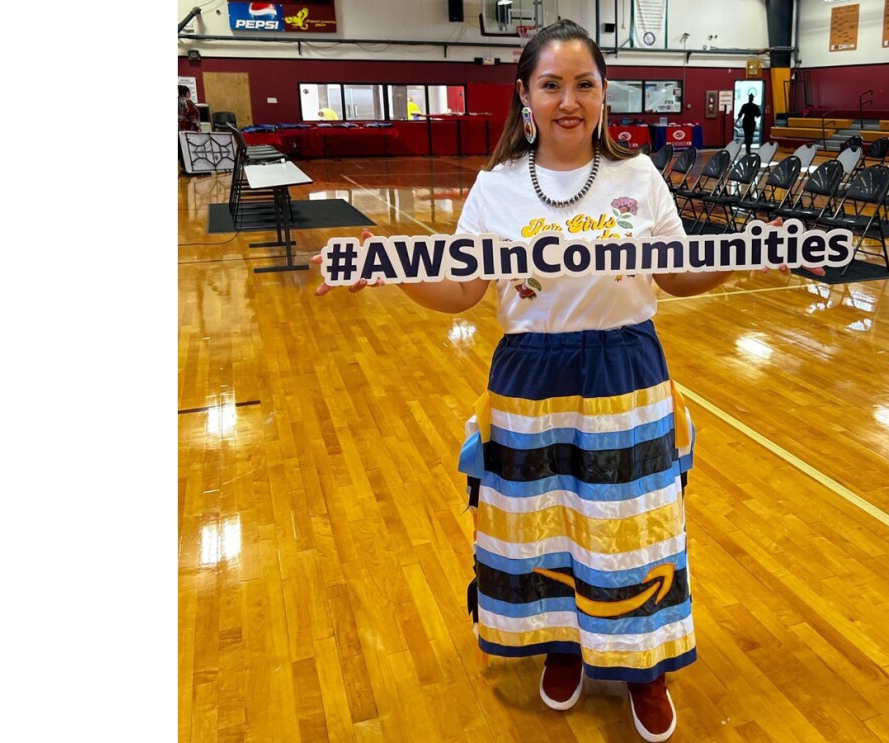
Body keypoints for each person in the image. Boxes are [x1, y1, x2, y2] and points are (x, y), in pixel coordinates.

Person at [312, 19, 738, 742]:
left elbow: (677, 272)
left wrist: (750, 255)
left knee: (629, 527)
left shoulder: (639, 177)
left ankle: (644, 666)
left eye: (583, 84)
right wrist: (384, 258)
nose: (568, 101)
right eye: (551, 85)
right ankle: (563, 644)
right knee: (540, 527)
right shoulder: (497, 186)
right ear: (525, 95)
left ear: (605, 93)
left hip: (624, 369)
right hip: (529, 375)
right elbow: (461, 289)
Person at [178, 85, 200, 173]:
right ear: (187, 93)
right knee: (187, 150)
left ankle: (183, 168)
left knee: (180, 151)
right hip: (187, 130)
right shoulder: (187, 102)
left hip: (178, 130)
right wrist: (198, 127)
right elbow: (193, 115)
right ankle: (188, 169)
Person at [735, 93, 761, 158]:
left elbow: (740, 114)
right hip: (752, 121)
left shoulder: (745, 105)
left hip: (746, 121)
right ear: (753, 99)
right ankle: (748, 147)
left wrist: (737, 120)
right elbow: (758, 115)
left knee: (746, 135)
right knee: (750, 135)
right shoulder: (755, 106)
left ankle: (747, 148)